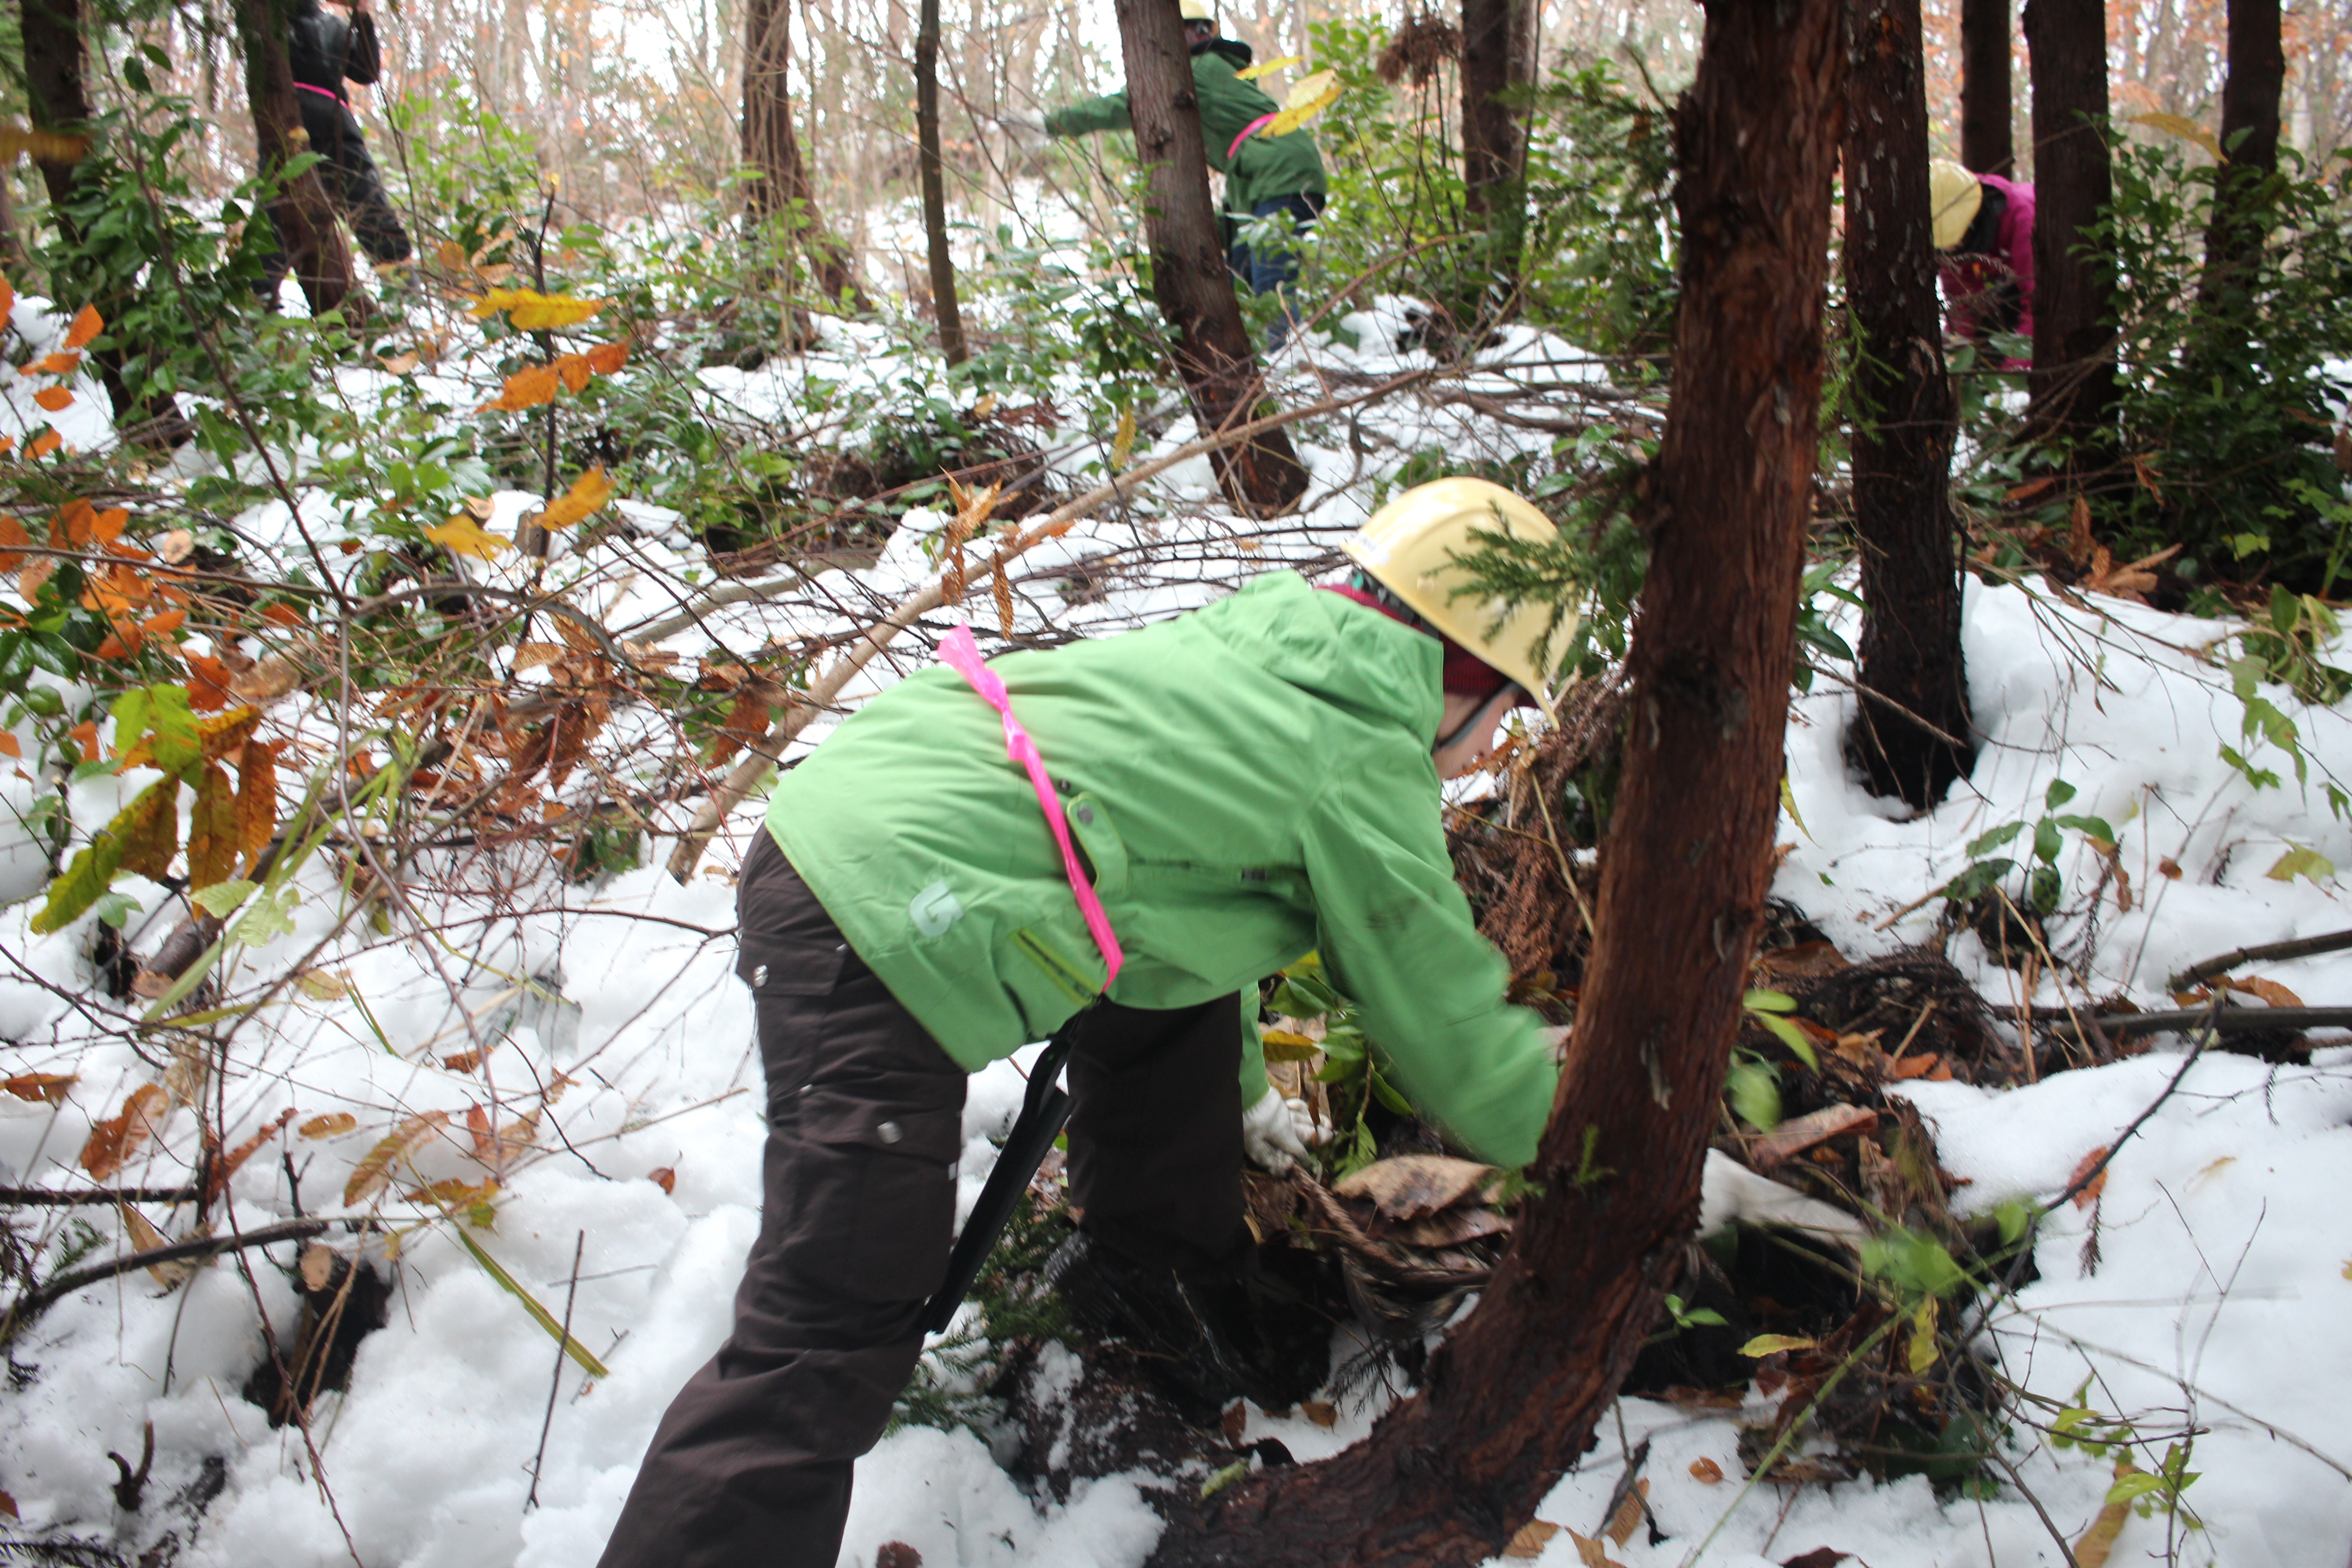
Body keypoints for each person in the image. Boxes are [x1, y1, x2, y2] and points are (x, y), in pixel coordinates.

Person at [593, 477, 1568, 1568]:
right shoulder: (1360, 756)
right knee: (830, 1322)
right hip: (882, 907)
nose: (1492, 748)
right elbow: (1441, 1014)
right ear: (1463, 675)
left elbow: (1179, 900)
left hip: (867, 822)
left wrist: (1242, 1085)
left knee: (1176, 1018)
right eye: (1508, 709)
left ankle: (1146, 1293)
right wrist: (1607, 1158)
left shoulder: (1261, 652)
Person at [1016, 0, 1329, 347]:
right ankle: (1266, 364)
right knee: (1240, 278)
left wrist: (1049, 125)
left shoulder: (1199, 69)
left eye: (1176, 33)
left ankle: (1296, 370)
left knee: (1273, 284)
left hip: (1282, 172)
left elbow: (1124, 104)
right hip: (1264, 177)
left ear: (1198, 34)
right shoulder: (1210, 73)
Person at [268, 0, 414, 297]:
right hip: (286, 122)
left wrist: (361, 17)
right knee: (276, 211)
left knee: (369, 205)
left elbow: (367, 71)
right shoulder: (268, 23)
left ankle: (404, 292)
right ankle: (259, 299)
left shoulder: (332, 26)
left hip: (337, 126)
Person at [1929, 157, 2034, 369]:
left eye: (1959, 243)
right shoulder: (1942, 220)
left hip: (2032, 290)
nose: (1954, 251)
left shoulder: (2023, 218)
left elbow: (2038, 305)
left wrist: (2014, 374)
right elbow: (1964, 304)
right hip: (2001, 288)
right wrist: (1953, 362)